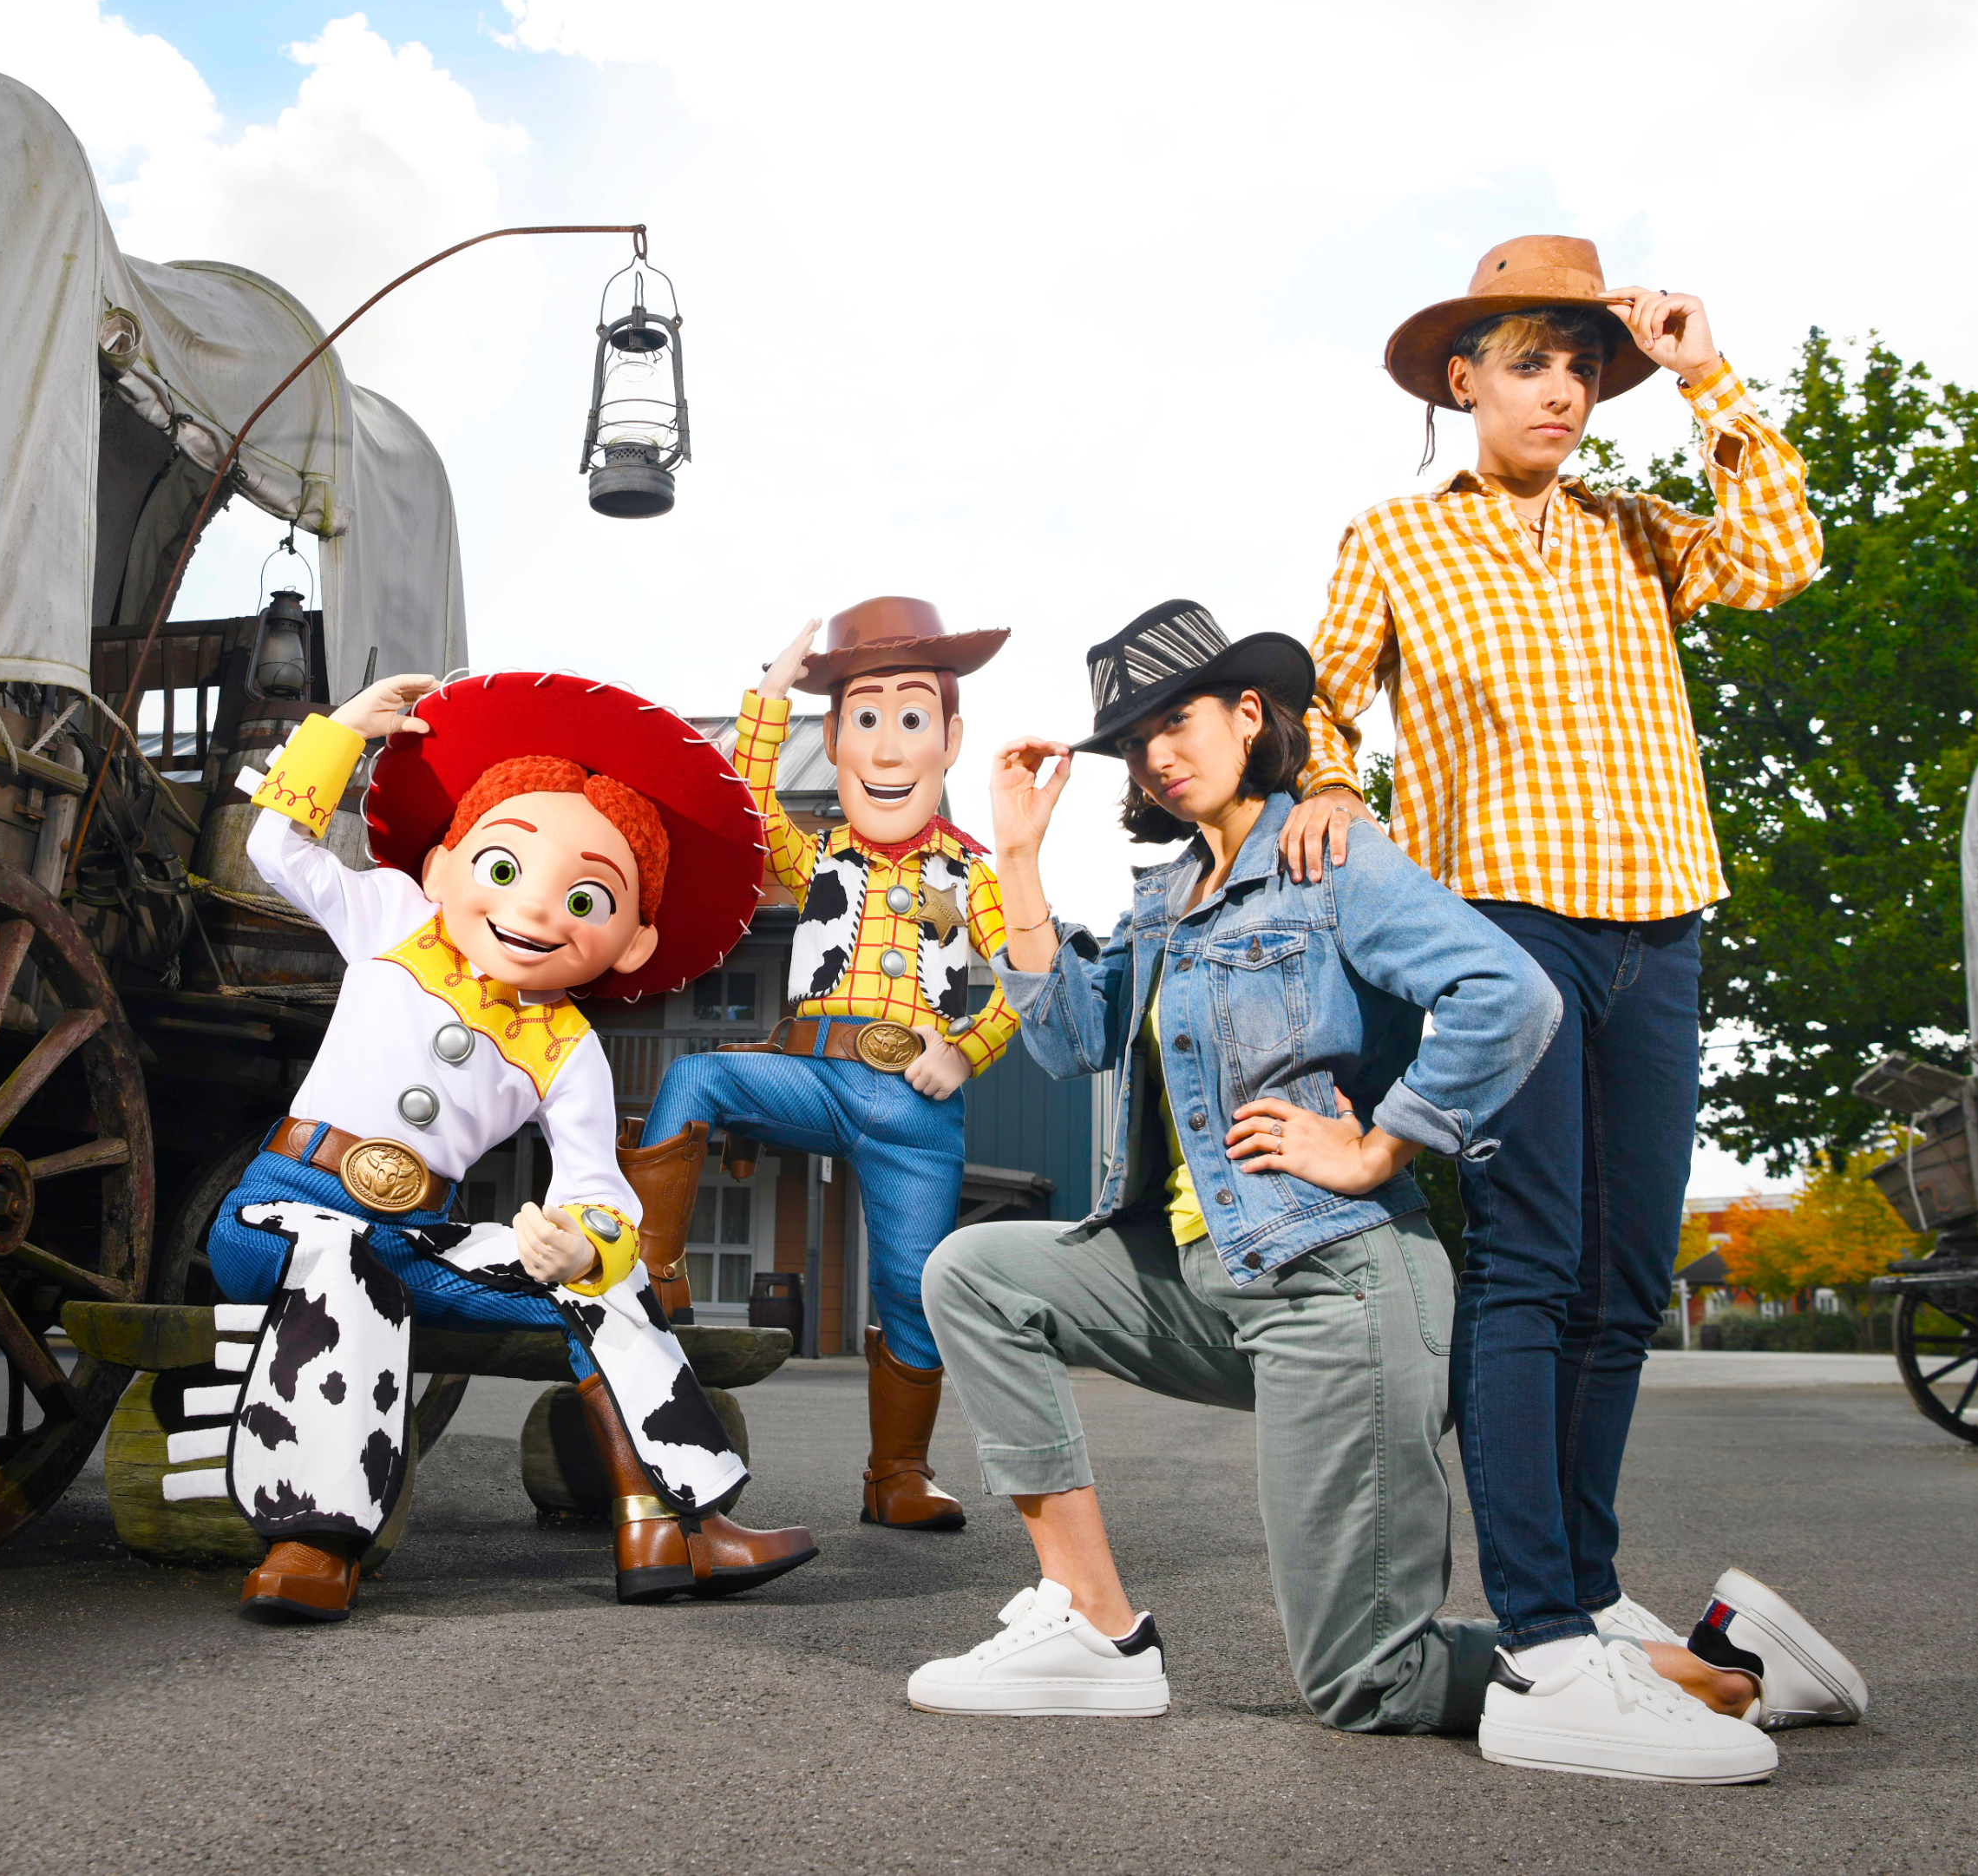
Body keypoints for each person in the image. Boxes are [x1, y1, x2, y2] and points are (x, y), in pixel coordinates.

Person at [905, 600, 1772, 1774]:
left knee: (1368, 1682)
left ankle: (1694, 1674)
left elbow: (1510, 994)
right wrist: (1016, 856)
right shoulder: (1166, 901)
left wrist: (1382, 1147)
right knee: (976, 1273)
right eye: (1136, 738)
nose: (1159, 753)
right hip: (1210, 1283)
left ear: (1248, 716)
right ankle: (1096, 1625)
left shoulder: (1330, 857)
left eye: (1180, 719)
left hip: (1336, 1289)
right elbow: (1069, 1045)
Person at [1281, 237, 1869, 1777]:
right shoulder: (1398, 539)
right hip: (1507, 931)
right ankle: (1539, 1633)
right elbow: (1326, 700)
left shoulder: (1639, 531)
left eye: (1583, 366)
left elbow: (1785, 554)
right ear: (1461, 379)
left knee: (1624, 1274)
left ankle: (1595, 1594)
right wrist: (1334, 785)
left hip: (1660, 921)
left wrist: (1702, 373)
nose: (1562, 389)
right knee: (1533, 1268)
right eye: (1531, 361)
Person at [192, 668, 816, 1620]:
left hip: (414, 1238)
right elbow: (278, 843)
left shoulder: (569, 1047)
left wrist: (585, 1240)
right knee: (343, 1259)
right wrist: (342, 733)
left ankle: (672, 1523)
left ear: (634, 942)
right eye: (502, 869)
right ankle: (311, 1535)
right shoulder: (395, 921)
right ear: (443, 869)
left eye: (587, 900)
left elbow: (597, 1183)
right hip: (280, 1211)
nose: (532, 912)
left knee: (605, 1280)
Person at [640, 597, 1020, 1529]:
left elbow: (1025, 983)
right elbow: (747, 804)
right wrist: (770, 695)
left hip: (915, 1105)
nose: (888, 750)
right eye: (864, 719)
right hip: (813, 1070)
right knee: (696, 1077)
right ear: (839, 740)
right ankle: (651, 1269)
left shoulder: (975, 875)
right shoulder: (813, 858)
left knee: (911, 1288)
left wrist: (966, 1051)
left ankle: (897, 1474)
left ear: (949, 738)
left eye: (910, 719)